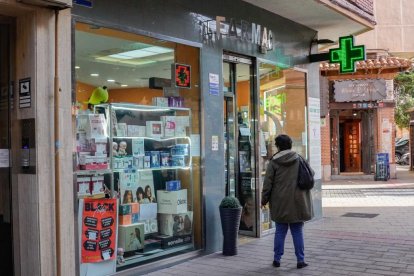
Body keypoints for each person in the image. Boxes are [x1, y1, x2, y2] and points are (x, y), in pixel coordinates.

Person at [261, 134, 314, 269]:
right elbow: (311, 173)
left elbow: (267, 184)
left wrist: (264, 200)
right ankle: (300, 260)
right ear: (290, 144)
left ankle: (277, 259)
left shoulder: (273, 162)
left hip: (280, 202)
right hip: (298, 202)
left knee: (280, 231)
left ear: (278, 146)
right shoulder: (299, 158)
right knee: (297, 231)